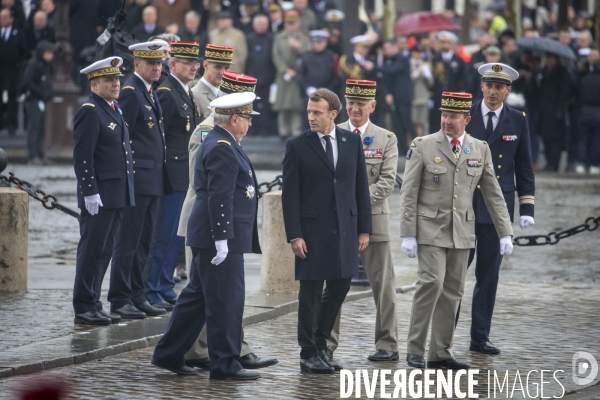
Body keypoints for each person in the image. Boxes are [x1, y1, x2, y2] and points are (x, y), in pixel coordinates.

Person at [152, 92, 265, 381]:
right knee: (225, 300)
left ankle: (169, 353)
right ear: (235, 119)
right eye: (248, 118)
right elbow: (219, 197)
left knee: (197, 299)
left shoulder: (221, 141)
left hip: (211, 234)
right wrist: (222, 239)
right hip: (217, 237)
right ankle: (225, 364)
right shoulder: (222, 146)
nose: (250, 124)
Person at [401, 91, 514, 370]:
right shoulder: (423, 145)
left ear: (467, 119)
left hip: (462, 231)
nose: (447, 121)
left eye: (453, 117)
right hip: (429, 228)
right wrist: (408, 233)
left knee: (453, 290)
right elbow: (408, 192)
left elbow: (493, 194)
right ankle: (415, 349)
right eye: (444, 115)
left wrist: (505, 232)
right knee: (431, 283)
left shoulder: (479, 148)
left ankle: (440, 352)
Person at [179, 71, 278, 371]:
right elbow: (204, 189)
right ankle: (204, 354)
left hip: (219, 224)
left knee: (209, 295)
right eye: (246, 111)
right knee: (217, 297)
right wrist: (219, 234)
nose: (249, 120)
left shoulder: (226, 133)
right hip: (209, 225)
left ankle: (228, 351)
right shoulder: (209, 133)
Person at [281, 89, 372, 373]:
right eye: (309, 111)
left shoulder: (350, 141)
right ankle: (308, 352)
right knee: (309, 293)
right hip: (311, 232)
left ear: (333, 114)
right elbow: (289, 195)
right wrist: (294, 235)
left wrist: (364, 229)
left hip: (345, 229)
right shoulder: (297, 145)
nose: (311, 117)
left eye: (317, 112)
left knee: (341, 285)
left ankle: (321, 344)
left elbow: (360, 188)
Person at [455, 63, 535, 355]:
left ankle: (480, 337)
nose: (493, 91)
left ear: (508, 90)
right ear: (481, 87)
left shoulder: (518, 119)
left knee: (488, 276)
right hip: (462, 205)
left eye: (499, 87)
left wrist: (527, 207)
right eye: (488, 85)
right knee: (454, 274)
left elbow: (524, 165)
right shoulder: (465, 115)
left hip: (497, 206)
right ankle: (443, 337)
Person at [327, 79, 399, 361]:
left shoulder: (385, 138)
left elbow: (387, 182)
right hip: (337, 224)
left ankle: (387, 343)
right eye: (351, 103)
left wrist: (352, 204)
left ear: (373, 105)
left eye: (361, 104)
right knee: (332, 286)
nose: (355, 108)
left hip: (374, 221)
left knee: (383, 287)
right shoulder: (333, 132)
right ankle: (326, 344)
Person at [107, 41, 172, 319]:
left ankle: (136, 293)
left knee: (145, 240)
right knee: (129, 241)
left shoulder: (148, 91)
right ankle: (120, 298)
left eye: (159, 63)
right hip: (138, 179)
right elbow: (123, 138)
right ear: (137, 65)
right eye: (151, 63)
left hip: (153, 179)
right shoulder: (132, 92)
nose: (157, 68)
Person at [72, 57, 135, 325]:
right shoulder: (89, 110)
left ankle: (94, 301)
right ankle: (84, 304)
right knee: (92, 250)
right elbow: (83, 156)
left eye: (118, 79)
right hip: (99, 195)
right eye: (110, 80)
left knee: (105, 250)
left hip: (116, 193)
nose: (116, 84)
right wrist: (89, 191)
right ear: (94, 83)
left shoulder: (113, 108)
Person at [144, 41, 201, 309]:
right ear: (173, 65)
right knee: (164, 233)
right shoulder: (167, 92)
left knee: (176, 235)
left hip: (183, 172)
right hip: (171, 172)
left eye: (195, 63)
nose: (193, 68)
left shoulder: (184, 91)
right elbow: (161, 136)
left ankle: (164, 284)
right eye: (188, 63)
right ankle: (152, 287)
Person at [272, 10, 310, 138]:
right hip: (283, 75)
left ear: (297, 24)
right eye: (288, 24)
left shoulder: (303, 38)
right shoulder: (279, 37)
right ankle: (282, 130)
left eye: (293, 24)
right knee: (282, 104)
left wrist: (299, 47)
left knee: (296, 105)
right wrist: (285, 69)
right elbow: (276, 56)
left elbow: (308, 55)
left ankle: (295, 130)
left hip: (297, 75)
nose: (290, 26)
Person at [295, 30, 339, 130]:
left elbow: (336, 76)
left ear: (326, 42)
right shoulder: (306, 56)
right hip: (309, 93)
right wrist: (307, 88)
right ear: (312, 42)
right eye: (316, 42)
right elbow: (300, 75)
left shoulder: (332, 56)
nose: (318, 45)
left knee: (326, 119)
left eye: (321, 42)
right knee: (308, 120)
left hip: (327, 94)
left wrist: (329, 89)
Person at [22, 40, 53, 165]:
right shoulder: (33, 64)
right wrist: (41, 93)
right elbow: (27, 82)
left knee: (42, 128)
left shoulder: (46, 65)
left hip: (42, 101)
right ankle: (33, 155)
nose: (50, 56)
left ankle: (41, 154)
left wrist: (47, 95)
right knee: (34, 128)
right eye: (48, 52)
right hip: (33, 100)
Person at [245, 14, 276, 136]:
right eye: (259, 24)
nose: (261, 26)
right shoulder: (249, 38)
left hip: (268, 78)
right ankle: (252, 129)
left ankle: (265, 130)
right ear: (254, 25)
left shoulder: (271, 38)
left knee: (266, 105)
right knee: (251, 105)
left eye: (264, 24)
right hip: (251, 78)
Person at [430, 31, 466, 133]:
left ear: (451, 44)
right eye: (443, 42)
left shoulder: (458, 60)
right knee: (436, 122)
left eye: (447, 43)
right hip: (438, 96)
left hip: (453, 96)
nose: (445, 45)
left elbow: (463, 79)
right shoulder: (435, 59)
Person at [0, 8, 27, 136]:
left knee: (12, 98)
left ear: (11, 19)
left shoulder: (18, 33)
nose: (2, 20)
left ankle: (11, 124)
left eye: (5, 17)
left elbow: (23, 52)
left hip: (12, 71)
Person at [190, 44, 232, 121]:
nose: (222, 72)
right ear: (205, 65)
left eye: (226, 68)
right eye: (218, 67)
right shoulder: (194, 96)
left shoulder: (228, 96)